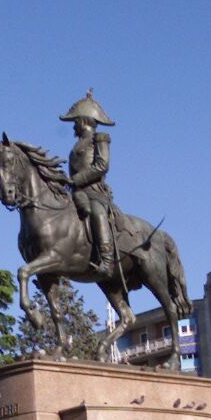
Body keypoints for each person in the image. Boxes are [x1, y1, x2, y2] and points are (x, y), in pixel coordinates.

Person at [60, 89, 120, 278]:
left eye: (75, 121)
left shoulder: (99, 139)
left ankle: (107, 259)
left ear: (84, 120)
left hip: (94, 191)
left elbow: (102, 165)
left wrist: (77, 179)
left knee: (97, 212)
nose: (73, 126)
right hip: (76, 192)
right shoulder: (77, 144)